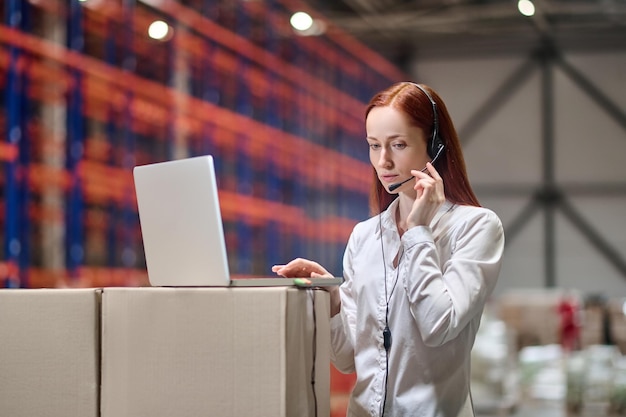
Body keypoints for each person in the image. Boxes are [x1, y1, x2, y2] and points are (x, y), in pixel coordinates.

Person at [272, 82, 505, 417]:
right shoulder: (364, 237)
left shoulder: (476, 227)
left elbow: (438, 325)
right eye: (373, 145)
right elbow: (349, 359)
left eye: (398, 144)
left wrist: (418, 232)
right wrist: (334, 301)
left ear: (434, 148)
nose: (383, 161)